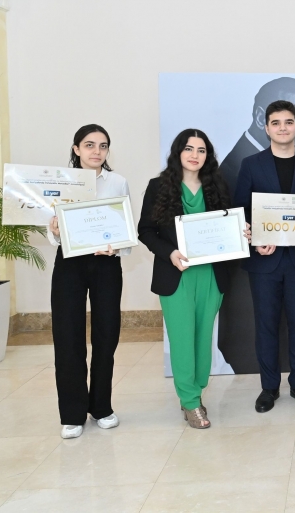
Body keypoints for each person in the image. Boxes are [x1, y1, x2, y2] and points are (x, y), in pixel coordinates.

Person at [138, 129, 247, 429]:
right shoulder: (159, 186)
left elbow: (227, 228)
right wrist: (170, 252)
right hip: (176, 275)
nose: (194, 155)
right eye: (189, 149)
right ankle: (190, 401)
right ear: (178, 152)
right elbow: (145, 230)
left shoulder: (217, 186)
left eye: (201, 150)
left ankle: (196, 391)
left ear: (207, 155)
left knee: (202, 339)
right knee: (182, 338)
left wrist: (241, 233)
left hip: (211, 276)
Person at [233, 100, 295, 413]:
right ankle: (269, 387)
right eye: (276, 123)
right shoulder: (251, 164)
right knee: (267, 326)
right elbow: (241, 212)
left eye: (288, 122)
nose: (282, 128)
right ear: (266, 127)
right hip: (265, 260)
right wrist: (254, 240)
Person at [47, 125, 129, 440]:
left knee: (107, 335)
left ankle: (102, 407)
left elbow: (125, 229)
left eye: (103, 145)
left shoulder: (117, 182)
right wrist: (55, 231)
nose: (97, 151)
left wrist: (116, 247)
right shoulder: (60, 182)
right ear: (76, 149)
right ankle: (72, 414)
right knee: (68, 336)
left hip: (106, 264)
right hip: (69, 263)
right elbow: (48, 229)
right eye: (90, 145)